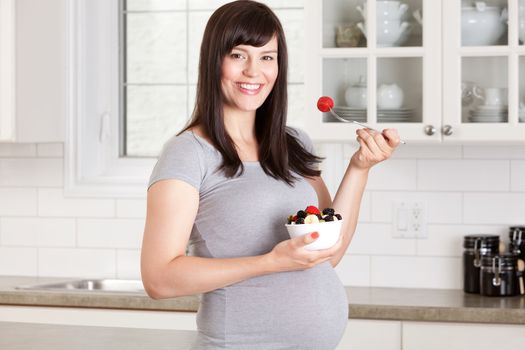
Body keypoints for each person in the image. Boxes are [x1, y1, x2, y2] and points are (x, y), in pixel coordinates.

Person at [141, 1, 400, 349]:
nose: (253, 71)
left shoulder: (291, 143)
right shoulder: (188, 153)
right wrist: (270, 262)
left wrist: (360, 168)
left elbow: (329, 252)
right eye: (238, 55)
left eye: (267, 57)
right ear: (213, 61)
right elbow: (159, 279)